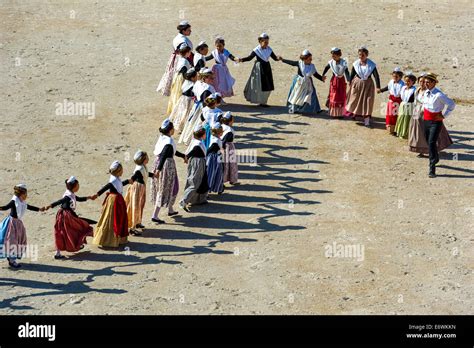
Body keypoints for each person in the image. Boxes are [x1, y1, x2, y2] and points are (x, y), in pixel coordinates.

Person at [46, 176, 96, 259]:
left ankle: (59, 251)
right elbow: (59, 202)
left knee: (63, 233)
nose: (78, 187)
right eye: (77, 185)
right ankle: (70, 247)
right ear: (74, 186)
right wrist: (50, 206)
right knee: (71, 230)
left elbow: (78, 199)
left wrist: (89, 197)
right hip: (65, 216)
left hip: (67, 215)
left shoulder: (70, 194)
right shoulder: (68, 196)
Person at [0, 184, 46, 268]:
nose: (26, 196)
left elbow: (29, 207)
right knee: (11, 241)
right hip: (11, 224)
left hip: (18, 224)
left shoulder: (22, 202)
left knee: (17, 242)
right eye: (25, 194)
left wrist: (39, 209)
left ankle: (11, 259)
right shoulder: (14, 201)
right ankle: (11, 260)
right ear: (22, 194)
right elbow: (6, 207)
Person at [151, 119, 186, 223]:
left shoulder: (163, 138)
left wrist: (183, 156)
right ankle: (155, 215)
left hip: (159, 164)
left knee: (168, 187)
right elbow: (165, 155)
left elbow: (171, 151)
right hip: (166, 166)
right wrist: (158, 170)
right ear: (170, 130)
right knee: (167, 188)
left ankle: (170, 210)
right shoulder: (168, 142)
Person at [408, 74, 452, 156]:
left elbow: (450, 104)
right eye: (421, 81)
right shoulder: (418, 90)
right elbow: (415, 101)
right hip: (417, 113)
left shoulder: (433, 93)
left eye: (424, 82)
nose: (423, 83)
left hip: (427, 115)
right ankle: (421, 150)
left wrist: (444, 115)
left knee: (433, 133)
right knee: (420, 133)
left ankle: (434, 151)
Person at [422, 73, 456, 178]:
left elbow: (452, 104)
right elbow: (424, 104)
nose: (426, 84)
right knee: (428, 141)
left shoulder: (439, 94)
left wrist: (444, 116)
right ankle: (435, 157)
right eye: (425, 82)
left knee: (432, 143)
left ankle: (432, 168)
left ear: (433, 83)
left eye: (428, 82)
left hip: (436, 122)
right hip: (426, 120)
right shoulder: (426, 92)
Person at [92, 161, 132, 248]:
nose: (122, 172)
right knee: (114, 219)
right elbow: (106, 187)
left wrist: (128, 181)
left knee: (118, 218)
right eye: (121, 170)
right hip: (114, 202)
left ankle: (118, 239)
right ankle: (110, 239)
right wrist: (97, 194)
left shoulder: (116, 178)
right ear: (118, 171)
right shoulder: (113, 180)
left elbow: (119, 185)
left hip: (117, 200)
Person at [239, 33, 282, 107]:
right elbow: (249, 58)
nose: (266, 44)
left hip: (267, 68)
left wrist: (278, 58)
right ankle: (260, 101)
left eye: (267, 42)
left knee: (267, 85)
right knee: (259, 86)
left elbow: (274, 58)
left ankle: (264, 102)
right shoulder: (256, 50)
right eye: (265, 42)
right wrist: (241, 59)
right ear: (260, 41)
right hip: (259, 69)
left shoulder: (269, 49)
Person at [344, 46, 381, 128]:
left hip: (368, 85)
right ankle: (354, 114)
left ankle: (367, 121)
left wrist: (378, 87)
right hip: (357, 83)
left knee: (367, 102)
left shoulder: (371, 65)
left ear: (366, 55)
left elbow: (376, 76)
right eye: (359, 55)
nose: (361, 57)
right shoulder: (356, 63)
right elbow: (352, 73)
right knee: (355, 99)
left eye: (363, 55)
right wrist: (350, 81)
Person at [281, 49, 326, 114]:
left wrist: (321, 78)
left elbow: (315, 74)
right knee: (296, 96)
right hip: (299, 83)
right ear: (304, 59)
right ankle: (293, 109)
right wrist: (283, 60)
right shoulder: (299, 63)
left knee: (312, 94)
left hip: (308, 83)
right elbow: (291, 63)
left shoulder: (312, 66)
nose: (311, 60)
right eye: (309, 59)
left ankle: (316, 109)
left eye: (311, 59)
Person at [179, 68, 216, 145]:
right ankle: (193, 139)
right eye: (210, 78)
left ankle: (187, 138)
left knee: (191, 122)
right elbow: (205, 101)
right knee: (198, 124)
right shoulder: (208, 88)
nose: (212, 79)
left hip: (196, 105)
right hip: (202, 108)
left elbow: (193, 94)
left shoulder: (197, 83)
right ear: (204, 78)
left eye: (213, 77)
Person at [156, 21, 193, 96]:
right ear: (183, 31)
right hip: (182, 59)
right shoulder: (183, 41)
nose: (190, 31)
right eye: (188, 30)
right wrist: (192, 62)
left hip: (177, 58)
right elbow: (185, 52)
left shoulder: (178, 37)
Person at [125, 151, 155, 236]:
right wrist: (122, 183)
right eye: (147, 157)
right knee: (135, 207)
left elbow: (145, 174)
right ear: (143, 159)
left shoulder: (143, 166)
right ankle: (132, 228)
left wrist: (153, 175)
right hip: (137, 189)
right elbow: (132, 179)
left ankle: (138, 222)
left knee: (140, 205)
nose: (148, 158)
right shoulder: (139, 169)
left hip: (141, 188)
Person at [180, 124, 209, 211]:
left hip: (197, 162)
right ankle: (184, 201)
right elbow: (193, 151)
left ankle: (199, 199)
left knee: (203, 181)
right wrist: (187, 157)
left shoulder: (195, 141)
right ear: (203, 135)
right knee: (195, 182)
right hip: (198, 163)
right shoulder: (198, 144)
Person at [322, 47, 350, 118]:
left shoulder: (344, 62)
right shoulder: (331, 62)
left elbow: (346, 72)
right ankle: (333, 113)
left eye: (334, 56)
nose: (333, 57)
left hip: (341, 81)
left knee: (341, 96)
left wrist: (349, 80)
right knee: (334, 96)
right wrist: (323, 75)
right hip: (334, 81)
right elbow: (326, 68)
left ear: (338, 55)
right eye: (332, 56)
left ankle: (340, 113)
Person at [168, 68, 198, 133]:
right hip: (188, 101)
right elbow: (193, 94)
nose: (197, 77)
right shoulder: (192, 85)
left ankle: (179, 126)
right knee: (185, 113)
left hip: (182, 99)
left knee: (180, 112)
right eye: (196, 76)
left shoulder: (186, 82)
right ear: (192, 78)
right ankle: (182, 127)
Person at [167, 44, 192, 115]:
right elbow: (184, 72)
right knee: (179, 94)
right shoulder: (184, 61)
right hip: (181, 79)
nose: (190, 53)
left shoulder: (180, 58)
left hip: (177, 77)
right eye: (189, 52)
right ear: (186, 52)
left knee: (176, 94)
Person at [379, 67, 405, 135]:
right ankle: (389, 128)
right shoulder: (391, 81)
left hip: (398, 101)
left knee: (395, 115)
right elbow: (388, 87)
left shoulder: (402, 84)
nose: (395, 78)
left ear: (400, 77)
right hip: (391, 100)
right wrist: (381, 90)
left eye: (396, 76)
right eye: (393, 76)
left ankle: (395, 129)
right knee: (389, 114)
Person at [394, 72, 416, 139]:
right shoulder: (403, 88)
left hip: (410, 106)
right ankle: (399, 132)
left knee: (407, 119)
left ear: (413, 82)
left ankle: (405, 133)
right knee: (400, 118)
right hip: (402, 105)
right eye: (406, 81)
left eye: (409, 81)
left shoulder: (414, 90)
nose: (407, 82)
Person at [221, 112, 240, 186]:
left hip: (221, 147)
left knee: (224, 165)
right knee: (230, 165)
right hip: (228, 148)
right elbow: (225, 140)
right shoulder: (229, 130)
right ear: (230, 121)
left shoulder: (220, 126)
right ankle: (231, 180)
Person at [206, 123, 225, 194]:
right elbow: (210, 149)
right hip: (214, 158)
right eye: (222, 131)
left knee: (218, 172)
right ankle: (208, 190)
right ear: (219, 132)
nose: (223, 132)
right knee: (212, 173)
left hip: (217, 157)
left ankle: (219, 187)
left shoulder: (213, 137)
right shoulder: (216, 141)